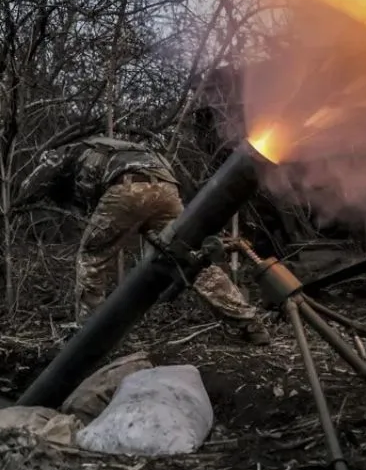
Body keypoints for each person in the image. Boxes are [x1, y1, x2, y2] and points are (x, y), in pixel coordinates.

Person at [17, 135, 270, 345]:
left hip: (127, 188)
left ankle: (88, 335)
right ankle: (250, 321)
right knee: (190, 260)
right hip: (166, 188)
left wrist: (20, 199)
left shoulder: (66, 152)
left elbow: (32, 184)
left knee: (92, 257)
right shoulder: (114, 149)